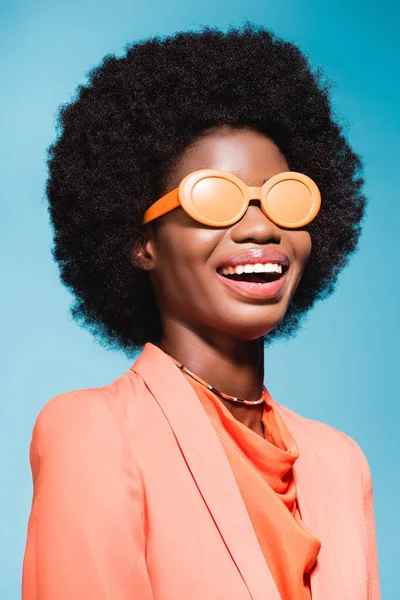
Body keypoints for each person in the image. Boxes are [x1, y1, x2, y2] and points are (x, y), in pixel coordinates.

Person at [22, 24, 380, 600]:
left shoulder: (341, 463)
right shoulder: (94, 435)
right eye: (214, 197)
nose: (262, 226)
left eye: (285, 195)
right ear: (143, 243)